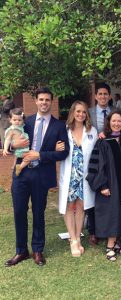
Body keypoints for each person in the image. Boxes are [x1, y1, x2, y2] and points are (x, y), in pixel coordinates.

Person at [5, 87, 69, 267]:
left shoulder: (59, 126)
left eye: (47, 100)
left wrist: (41, 155)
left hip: (41, 174)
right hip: (21, 173)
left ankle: (38, 250)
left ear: (51, 102)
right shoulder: (26, 122)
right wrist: (12, 146)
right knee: (19, 211)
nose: (44, 103)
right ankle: (21, 251)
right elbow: (10, 141)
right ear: (36, 101)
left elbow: (64, 153)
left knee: (39, 213)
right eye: (41, 99)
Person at [86, 111, 121, 261]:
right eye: (114, 121)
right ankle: (109, 246)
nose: (116, 124)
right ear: (109, 123)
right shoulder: (103, 142)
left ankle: (116, 242)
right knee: (112, 213)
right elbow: (96, 166)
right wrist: (102, 185)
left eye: (119, 121)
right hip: (110, 185)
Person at [58, 101, 98, 257]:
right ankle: (73, 239)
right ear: (73, 112)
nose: (81, 114)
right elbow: (57, 146)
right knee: (69, 206)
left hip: (84, 176)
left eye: (84, 112)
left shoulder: (92, 131)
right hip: (70, 175)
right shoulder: (64, 130)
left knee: (81, 207)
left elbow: (97, 150)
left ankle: (78, 238)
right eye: (78, 111)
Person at [87, 83, 115, 246]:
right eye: (100, 94)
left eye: (106, 94)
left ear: (109, 96)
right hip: (92, 156)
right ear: (96, 96)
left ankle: (107, 227)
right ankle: (93, 230)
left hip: (109, 157)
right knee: (93, 192)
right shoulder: (89, 113)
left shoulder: (115, 113)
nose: (103, 97)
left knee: (107, 193)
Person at [3, 108, 30, 176]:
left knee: (17, 158)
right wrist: (5, 149)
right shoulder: (11, 130)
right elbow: (7, 139)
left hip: (22, 149)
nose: (17, 121)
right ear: (10, 120)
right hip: (20, 150)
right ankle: (20, 167)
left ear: (23, 121)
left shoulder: (20, 127)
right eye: (14, 120)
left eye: (19, 120)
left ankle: (15, 165)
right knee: (29, 157)